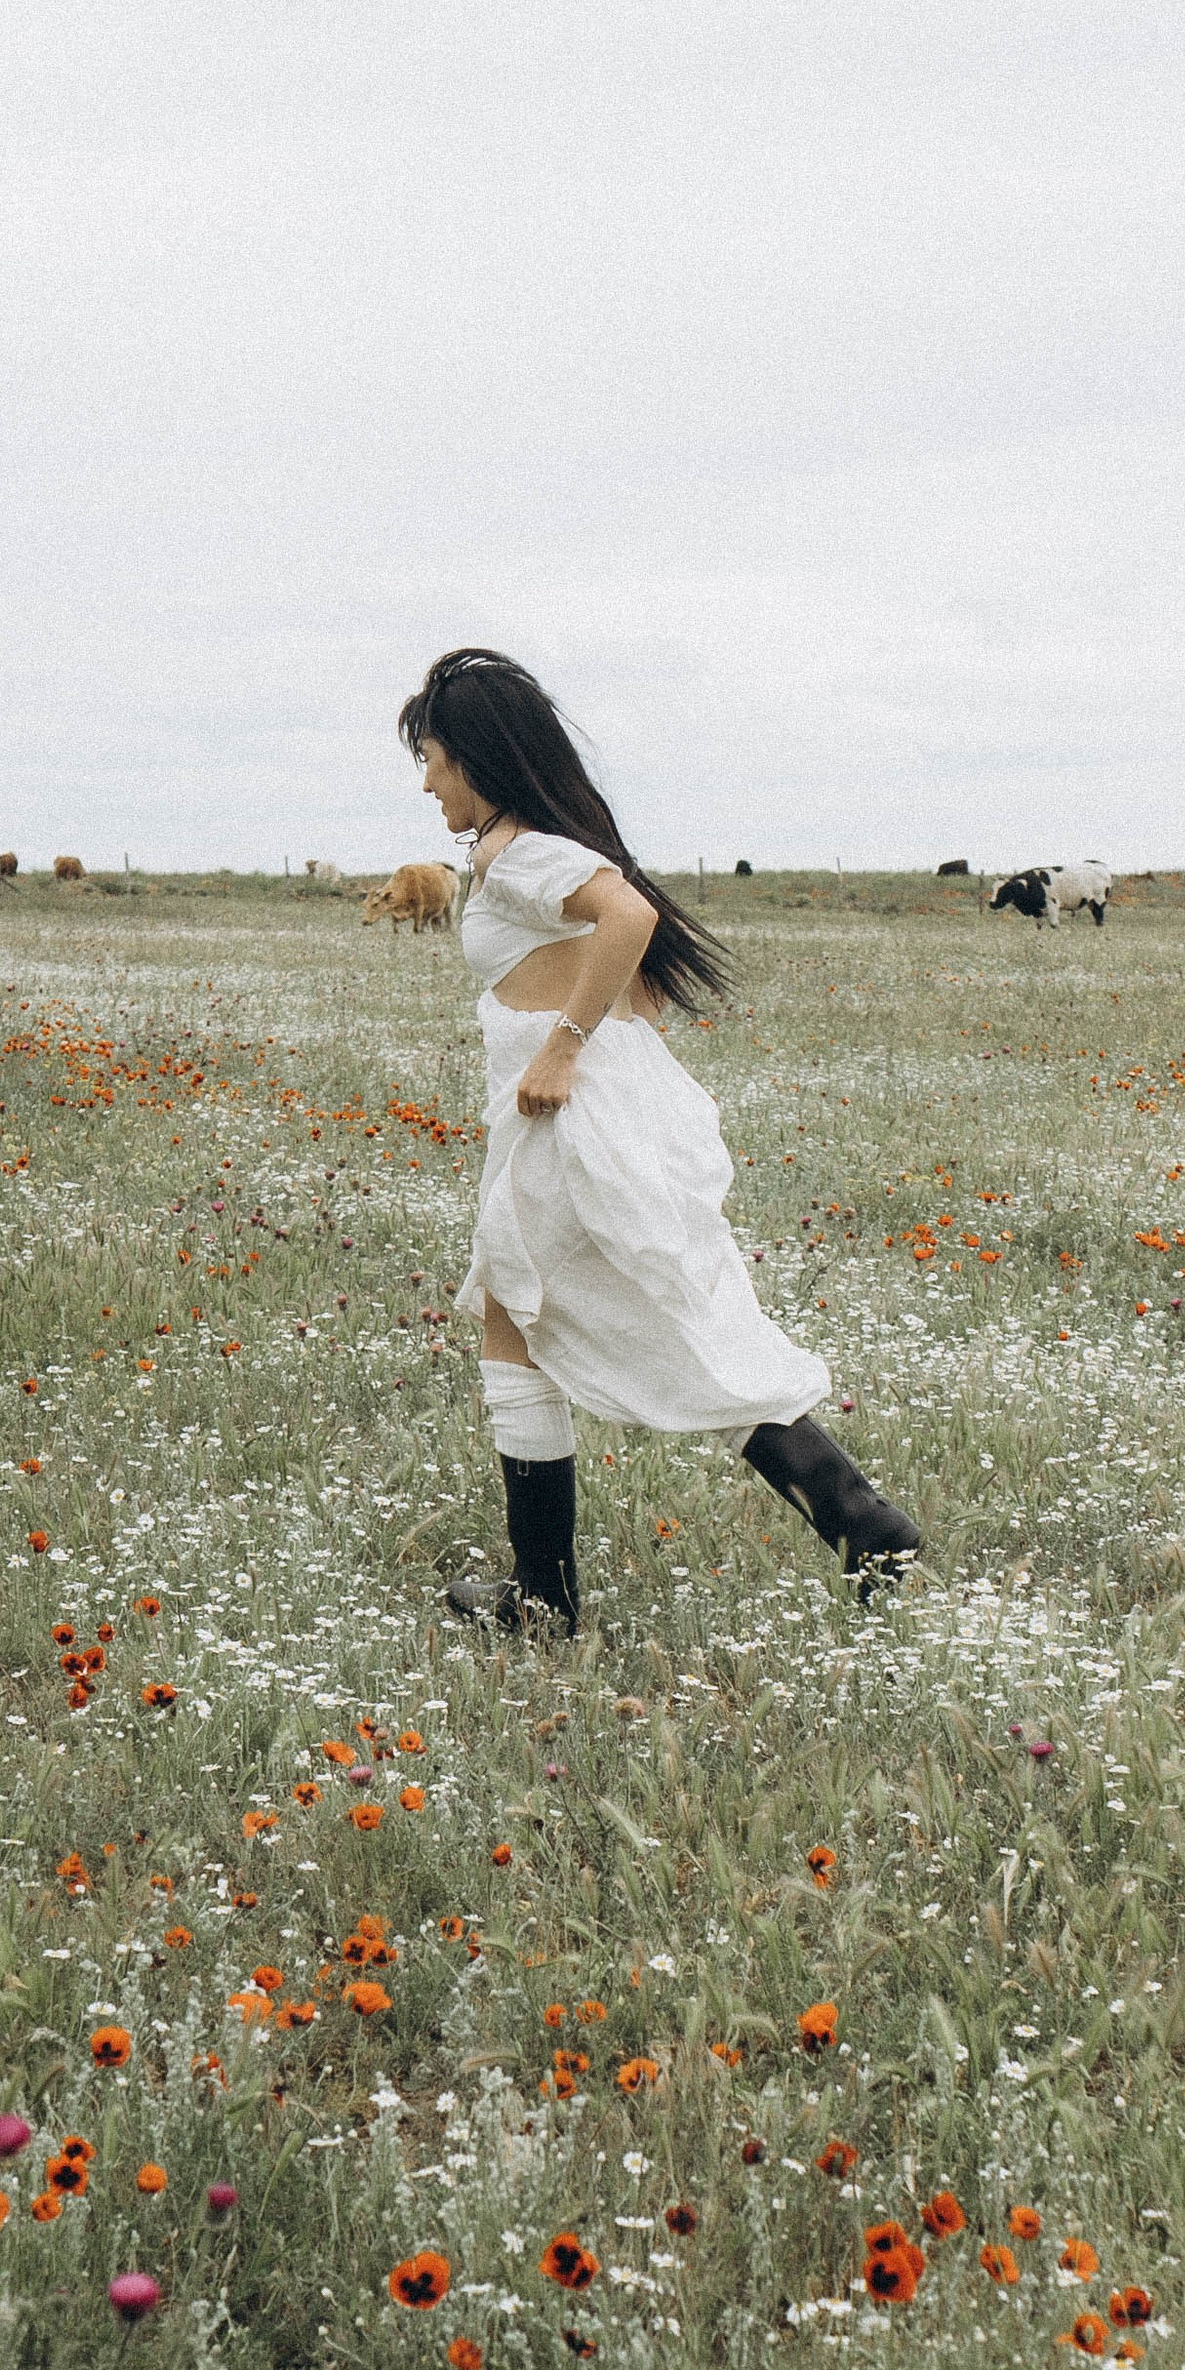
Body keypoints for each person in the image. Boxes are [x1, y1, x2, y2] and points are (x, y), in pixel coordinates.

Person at [398, 649, 918, 1633]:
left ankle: (558, 1598)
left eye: (430, 759)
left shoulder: (522, 849)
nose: (425, 782)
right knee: (546, 1316)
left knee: (607, 1319)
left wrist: (561, 1048)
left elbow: (626, 916)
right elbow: (609, 955)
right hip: (577, 1109)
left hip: (560, 1113)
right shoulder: (521, 846)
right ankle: (847, 1517)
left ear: (474, 755)